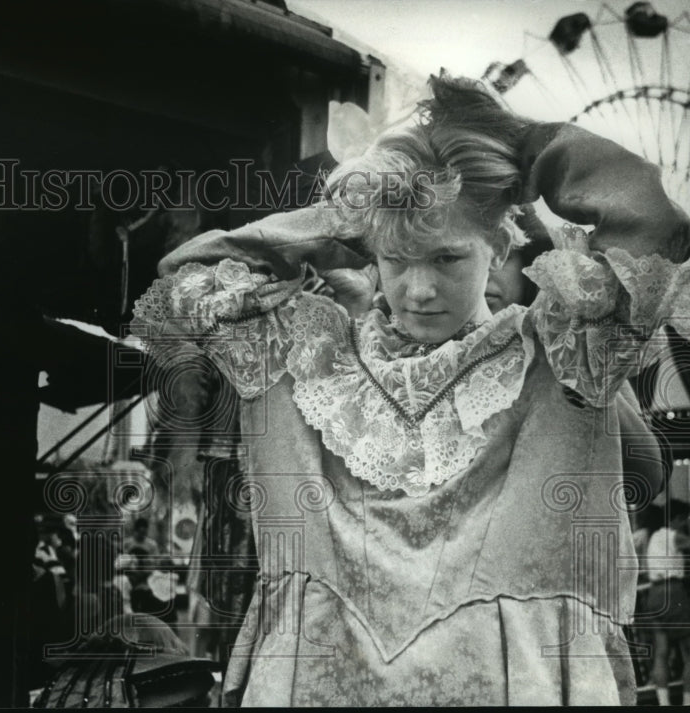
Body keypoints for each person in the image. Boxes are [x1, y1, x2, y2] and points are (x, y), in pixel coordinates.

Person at [132, 74, 690, 705]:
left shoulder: (565, 350)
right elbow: (189, 275)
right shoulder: (309, 354)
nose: (418, 289)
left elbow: (654, 225)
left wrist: (523, 146)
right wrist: (352, 213)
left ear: (499, 242)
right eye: (397, 259)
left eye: (448, 258)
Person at [643, 501, 690, 705]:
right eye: (684, 519)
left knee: (661, 652)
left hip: (654, 595)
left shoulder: (653, 536)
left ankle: (664, 704)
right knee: (688, 652)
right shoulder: (675, 536)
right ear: (675, 519)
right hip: (673, 593)